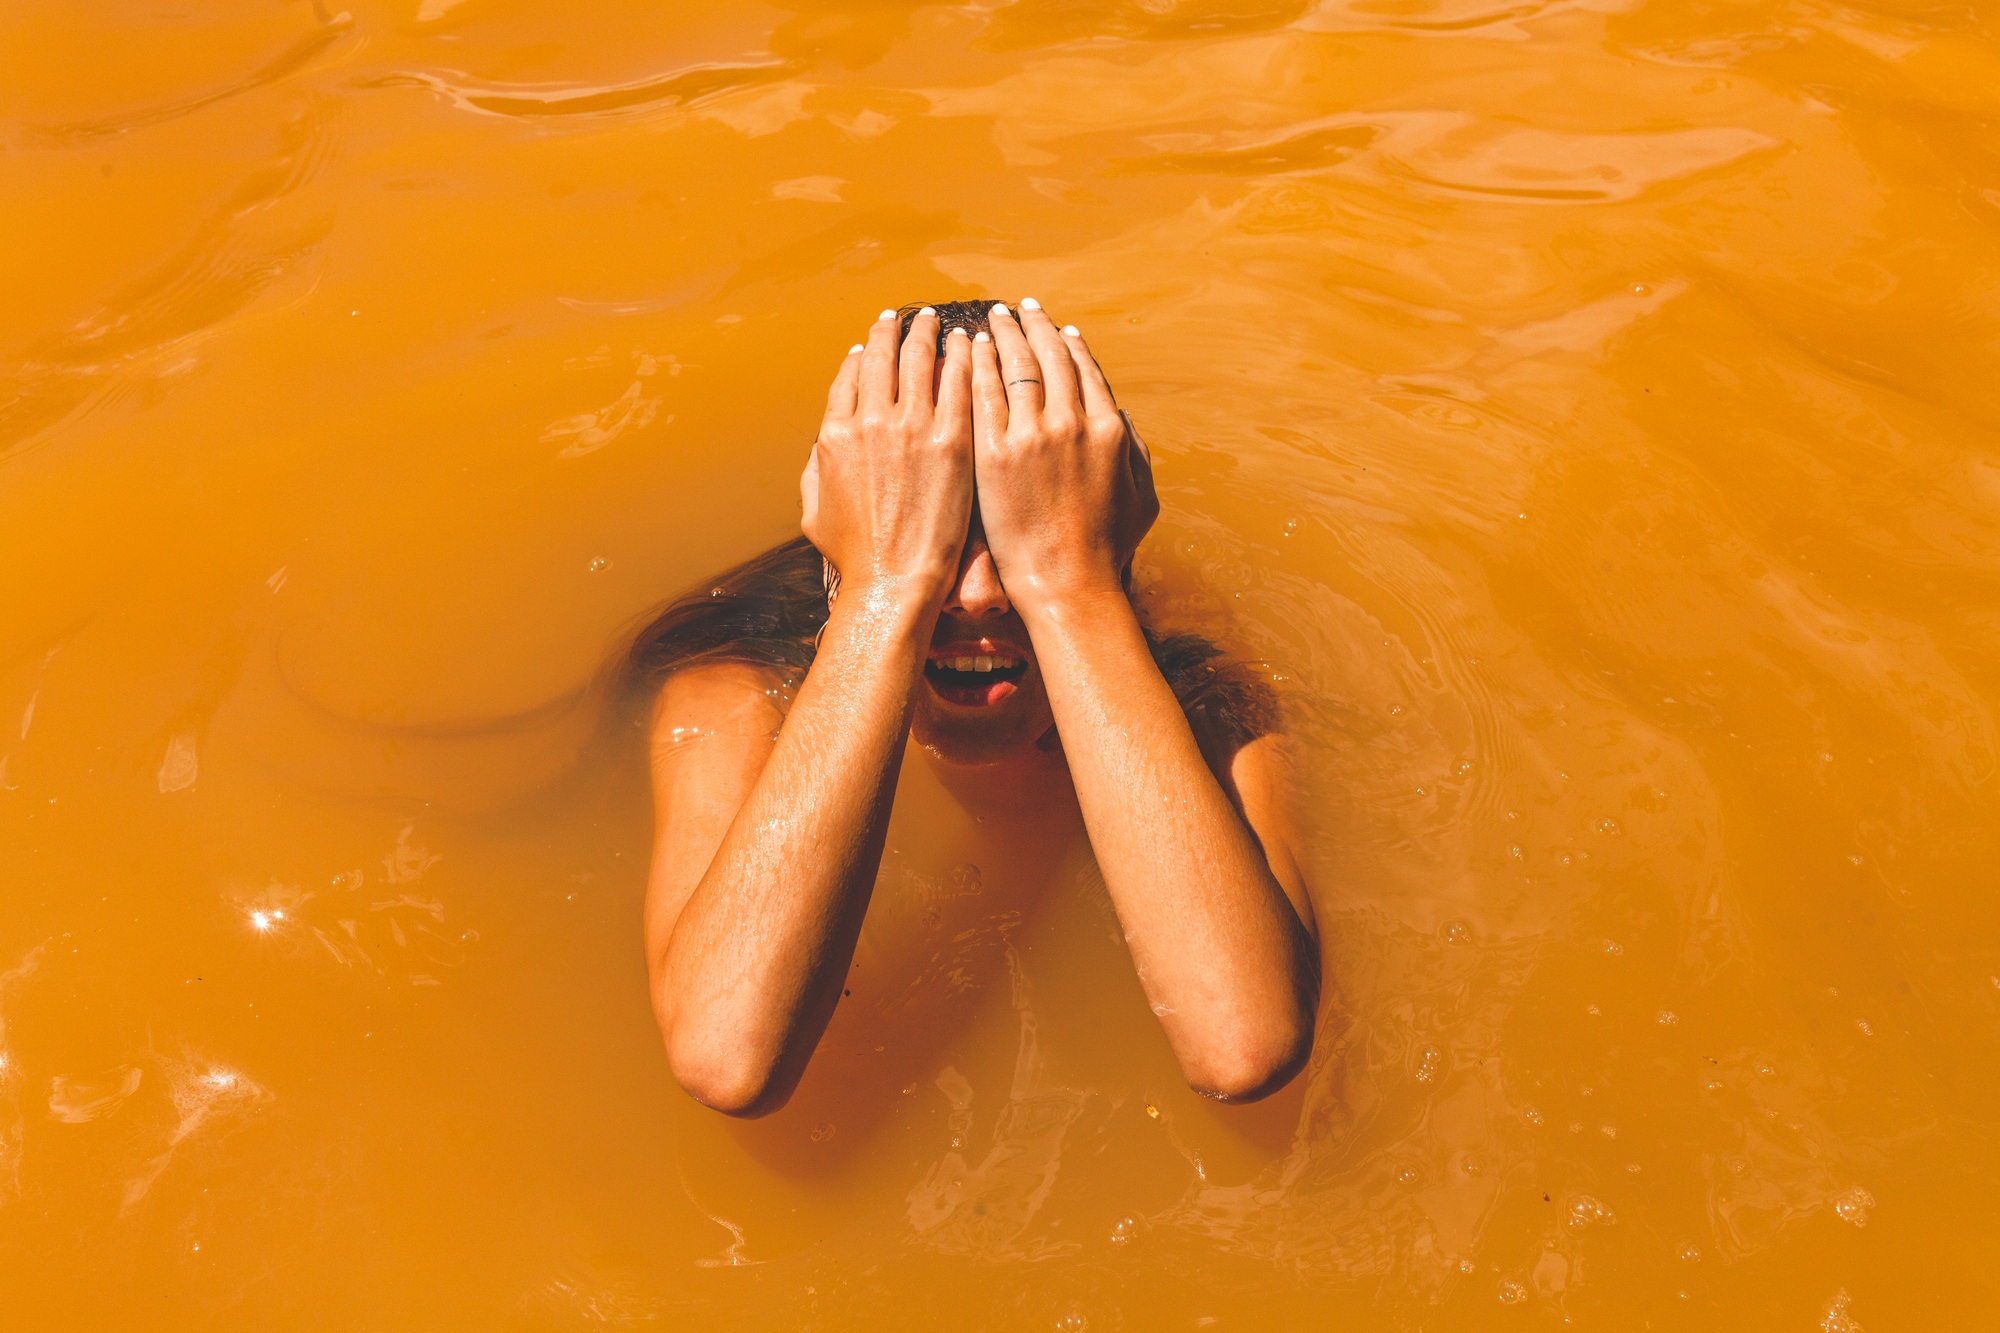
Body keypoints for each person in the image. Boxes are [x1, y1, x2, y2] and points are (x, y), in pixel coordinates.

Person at [632, 299, 1318, 1121]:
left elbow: (1244, 1044)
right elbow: (725, 1057)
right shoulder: (741, 687)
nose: (982, 592)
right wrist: (888, 589)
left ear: (1101, 535)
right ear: (847, 538)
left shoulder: (1193, 689)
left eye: (1025, 533)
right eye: (940, 534)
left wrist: (1072, 592)